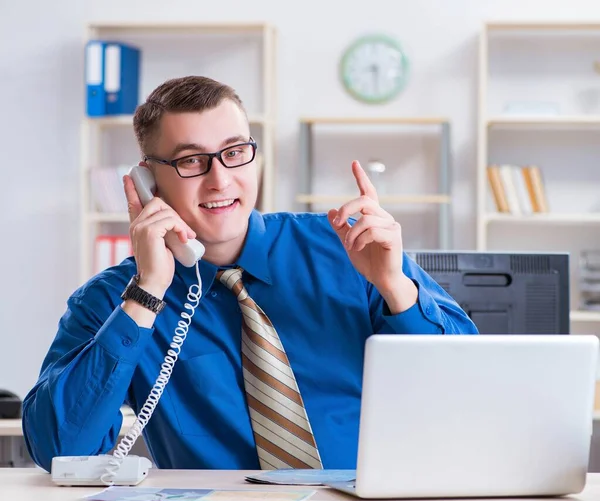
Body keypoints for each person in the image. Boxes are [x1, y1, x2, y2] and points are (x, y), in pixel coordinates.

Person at [22, 75, 478, 473]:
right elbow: (61, 451)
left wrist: (395, 286)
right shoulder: (115, 299)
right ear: (148, 182)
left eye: (234, 152)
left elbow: (468, 389)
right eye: (191, 160)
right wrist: (148, 292)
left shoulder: (349, 247)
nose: (220, 180)